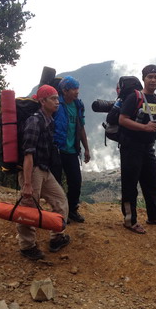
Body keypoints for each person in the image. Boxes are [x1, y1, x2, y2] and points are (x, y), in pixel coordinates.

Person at [18, 85, 71, 260]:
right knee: (29, 208)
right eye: (53, 99)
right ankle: (27, 246)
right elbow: (28, 153)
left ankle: (57, 237)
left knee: (60, 200)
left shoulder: (50, 120)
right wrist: (27, 183)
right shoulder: (34, 122)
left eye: (57, 98)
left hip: (44, 169)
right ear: (42, 101)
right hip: (32, 171)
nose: (57, 102)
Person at [118, 64, 156, 234]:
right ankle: (130, 221)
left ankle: (154, 216)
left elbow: (150, 122)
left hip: (148, 148)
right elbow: (122, 119)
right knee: (130, 185)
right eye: (150, 77)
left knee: (151, 184)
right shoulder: (134, 98)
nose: (154, 80)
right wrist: (144, 128)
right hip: (131, 147)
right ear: (144, 78)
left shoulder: (155, 99)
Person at [54, 76, 90, 223]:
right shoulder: (56, 104)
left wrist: (86, 149)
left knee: (75, 182)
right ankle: (59, 213)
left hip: (72, 150)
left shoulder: (78, 105)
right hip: (56, 150)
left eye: (77, 88)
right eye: (74, 89)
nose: (77, 92)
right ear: (64, 90)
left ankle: (72, 210)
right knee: (56, 184)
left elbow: (81, 128)